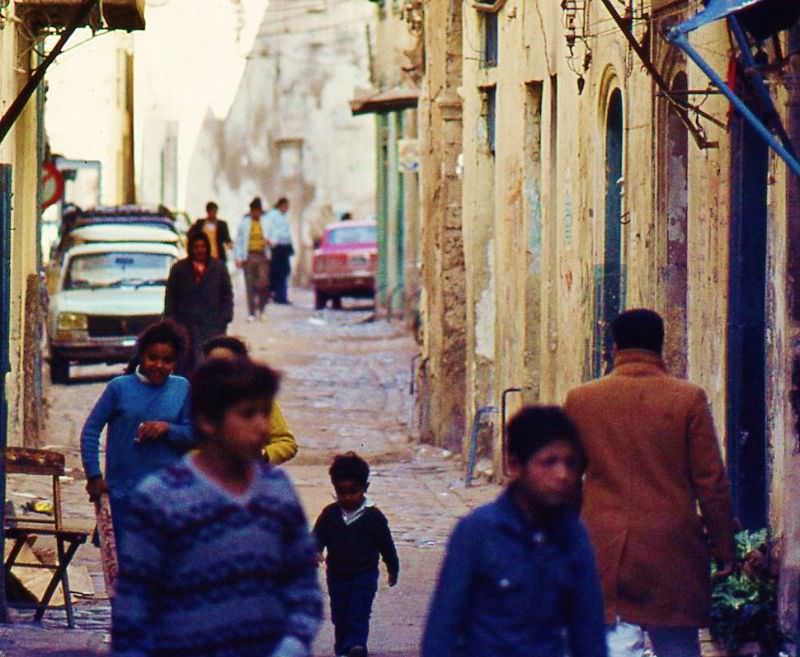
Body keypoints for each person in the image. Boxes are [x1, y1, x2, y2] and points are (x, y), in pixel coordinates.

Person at [111, 358, 322, 657]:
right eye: (248, 414)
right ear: (208, 421)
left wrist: (294, 644)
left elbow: (303, 588)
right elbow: (133, 610)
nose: (262, 427)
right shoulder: (160, 499)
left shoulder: (277, 491)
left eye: (265, 413)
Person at [564, 309, 735, 657]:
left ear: (615, 348)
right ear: (661, 346)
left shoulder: (582, 399)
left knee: (612, 639)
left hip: (604, 544)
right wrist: (724, 549)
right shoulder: (688, 398)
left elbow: (563, 480)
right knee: (677, 644)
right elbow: (711, 482)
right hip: (672, 546)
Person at [421, 406, 606, 657]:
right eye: (548, 462)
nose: (562, 475)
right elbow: (443, 629)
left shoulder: (574, 537)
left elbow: (589, 633)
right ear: (515, 465)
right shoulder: (478, 532)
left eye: (570, 463)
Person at [81, 320, 194, 550]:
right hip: (123, 496)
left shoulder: (182, 388)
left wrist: (168, 429)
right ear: (141, 355)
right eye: (153, 357)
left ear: (175, 362)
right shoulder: (119, 388)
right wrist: (94, 475)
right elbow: (91, 431)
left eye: (167, 360)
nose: (159, 365)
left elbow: (195, 434)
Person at [313, 452, 399, 657]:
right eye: (341, 492)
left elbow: (387, 545)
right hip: (337, 574)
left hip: (365, 574)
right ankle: (343, 646)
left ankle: (356, 645)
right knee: (340, 613)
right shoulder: (330, 514)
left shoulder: (374, 517)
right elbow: (317, 537)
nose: (347, 497)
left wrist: (392, 567)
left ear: (365, 488)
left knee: (359, 611)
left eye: (353, 492)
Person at [201, 335, 298, 465]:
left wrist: (262, 456)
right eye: (214, 365)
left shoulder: (257, 401)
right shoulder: (196, 400)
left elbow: (286, 443)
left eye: (227, 365)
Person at [164, 229, 233, 372]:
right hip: (185, 328)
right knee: (185, 367)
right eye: (196, 247)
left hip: (212, 327)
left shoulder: (218, 268)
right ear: (190, 248)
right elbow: (170, 298)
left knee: (211, 367)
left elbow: (227, 295)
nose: (199, 250)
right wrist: (171, 322)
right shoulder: (179, 269)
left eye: (202, 246)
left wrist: (225, 318)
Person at [235, 197, 271, 320]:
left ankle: (261, 309)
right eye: (254, 211)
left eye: (258, 211)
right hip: (249, 255)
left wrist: (270, 241)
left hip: (262, 255)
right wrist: (238, 257)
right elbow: (239, 241)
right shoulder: (244, 223)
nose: (256, 213)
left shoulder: (267, 222)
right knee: (250, 285)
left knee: (263, 283)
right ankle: (251, 312)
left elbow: (274, 236)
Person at [265, 197, 294, 304]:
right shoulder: (272, 216)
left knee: (284, 272)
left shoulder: (285, 217)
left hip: (284, 247)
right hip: (275, 247)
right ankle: (276, 294)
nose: (287, 209)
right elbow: (268, 230)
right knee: (276, 272)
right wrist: (269, 242)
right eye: (285, 206)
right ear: (281, 205)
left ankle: (281, 295)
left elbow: (287, 233)